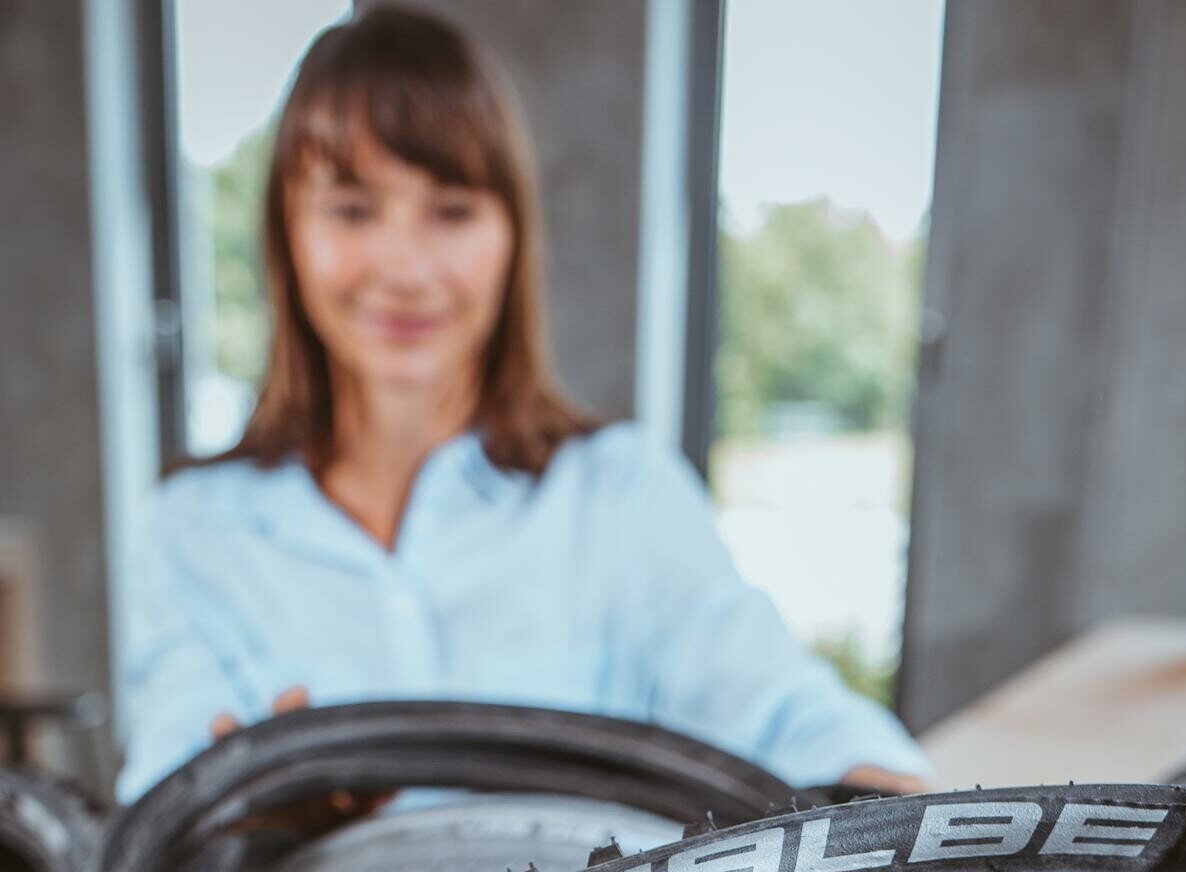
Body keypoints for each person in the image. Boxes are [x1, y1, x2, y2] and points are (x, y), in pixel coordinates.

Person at [117, 5, 931, 804]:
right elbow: (164, 798)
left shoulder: (621, 494)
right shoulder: (193, 533)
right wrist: (244, 816)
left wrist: (896, 804)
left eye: (452, 212)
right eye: (352, 210)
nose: (404, 269)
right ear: (285, 234)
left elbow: (779, 704)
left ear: (512, 236)